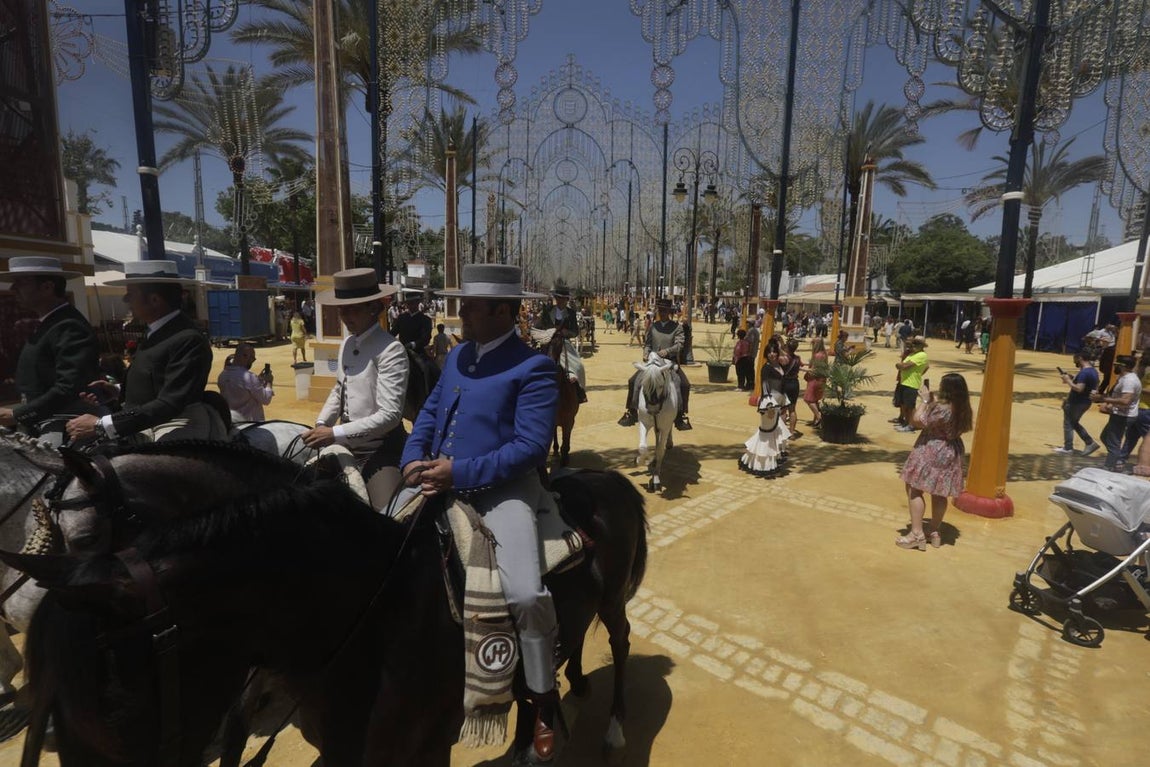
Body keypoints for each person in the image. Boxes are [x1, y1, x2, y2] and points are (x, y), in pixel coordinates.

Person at [397, 264, 560, 761]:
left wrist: (458, 473)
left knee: (525, 590)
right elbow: (430, 412)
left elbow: (531, 448)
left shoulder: (534, 367)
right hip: (435, 476)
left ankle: (543, 695)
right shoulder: (458, 355)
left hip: (501, 491)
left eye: (468, 305)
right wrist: (410, 458)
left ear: (503, 312)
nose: (459, 311)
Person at [66, 260, 225, 444]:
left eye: (131, 294)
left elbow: (170, 402)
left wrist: (102, 425)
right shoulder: (157, 330)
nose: (126, 300)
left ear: (155, 300)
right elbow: (156, 378)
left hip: (174, 423)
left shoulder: (188, 339)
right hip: (146, 421)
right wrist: (118, 391)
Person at [306, 268, 408, 509]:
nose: (344, 315)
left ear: (373, 308)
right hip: (346, 443)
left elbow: (390, 415)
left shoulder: (390, 349)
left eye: (352, 309)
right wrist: (322, 424)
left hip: (380, 450)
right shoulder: (348, 343)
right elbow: (339, 389)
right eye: (341, 308)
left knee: (389, 514)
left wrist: (334, 433)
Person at [0, 257, 101, 434]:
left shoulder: (69, 326)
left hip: (64, 422)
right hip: (40, 419)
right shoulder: (52, 323)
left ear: (47, 287)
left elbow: (69, 387)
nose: (12, 289)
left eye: (21, 283)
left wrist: (18, 414)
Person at [896, 372, 974, 550]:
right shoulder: (962, 408)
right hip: (951, 450)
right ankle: (934, 532)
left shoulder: (941, 408)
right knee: (939, 492)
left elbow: (917, 421)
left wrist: (924, 401)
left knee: (914, 488)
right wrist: (931, 403)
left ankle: (916, 534)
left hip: (932, 448)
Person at [617, 297, 692, 430]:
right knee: (633, 381)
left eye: (665, 310)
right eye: (660, 310)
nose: (662, 312)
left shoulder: (677, 328)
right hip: (652, 361)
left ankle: (680, 415)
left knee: (684, 384)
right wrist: (645, 353)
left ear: (669, 311)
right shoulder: (653, 326)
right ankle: (632, 411)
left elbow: (680, 345)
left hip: (669, 363)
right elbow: (648, 344)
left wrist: (667, 351)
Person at [1091, 354, 1141, 472]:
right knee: (1105, 437)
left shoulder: (1129, 381)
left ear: (1123, 366)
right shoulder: (1124, 377)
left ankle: (1109, 467)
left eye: (1116, 365)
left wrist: (1103, 399)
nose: (1114, 367)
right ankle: (1115, 460)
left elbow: (1125, 401)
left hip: (1123, 416)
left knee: (1114, 442)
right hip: (1119, 414)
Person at [1053, 352, 1099, 456]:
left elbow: (1079, 388)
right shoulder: (1092, 371)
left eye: (1075, 359)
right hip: (1085, 402)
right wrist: (1072, 378)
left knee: (1068, 423)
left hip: (1076, 402)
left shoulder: (1084, 373)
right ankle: (1089, 443)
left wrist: (1068, 380)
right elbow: (1086, 384)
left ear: (1080, 358)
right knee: (1073, 423)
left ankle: (1069, 447)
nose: (1074, 361)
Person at [217, 342, 274, 422]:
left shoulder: (222, 376)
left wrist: (259, 380)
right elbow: (266, 399)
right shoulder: (249, 377)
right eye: (252, 358)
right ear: (245, 356)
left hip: (233, 423)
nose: (253, 361)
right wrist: (269, 382)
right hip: (251, 426)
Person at [894, 336, 930, 432]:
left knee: (910, 406)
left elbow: (905, 366)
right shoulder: (912, 354)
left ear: (922, 346)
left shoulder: (921, 355)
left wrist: (899, 366)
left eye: (917, 344)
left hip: (911, 383)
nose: (914, 345)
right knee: (904, 405)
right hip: (904, 382)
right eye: (913, 343)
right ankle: (907, 423)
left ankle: (911, 425)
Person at [391, 289, 433, 355]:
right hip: (402, 353)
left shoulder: (425, 320)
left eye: (412, 303)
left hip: (418, 353)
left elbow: (426, 339)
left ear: (418, 303)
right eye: (408, 303)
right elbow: (393, 333)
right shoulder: (401, 318)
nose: (410, 305)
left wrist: (413, 344)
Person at [802, 336, 828, 427]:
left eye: (813, 343)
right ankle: (815, 420)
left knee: (808, 399)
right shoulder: (823, 353)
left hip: (815, 379)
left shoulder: (818, 355)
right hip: (821, 379)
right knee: (815, 399)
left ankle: (819, 417)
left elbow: (814, 369)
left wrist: (802, 370)